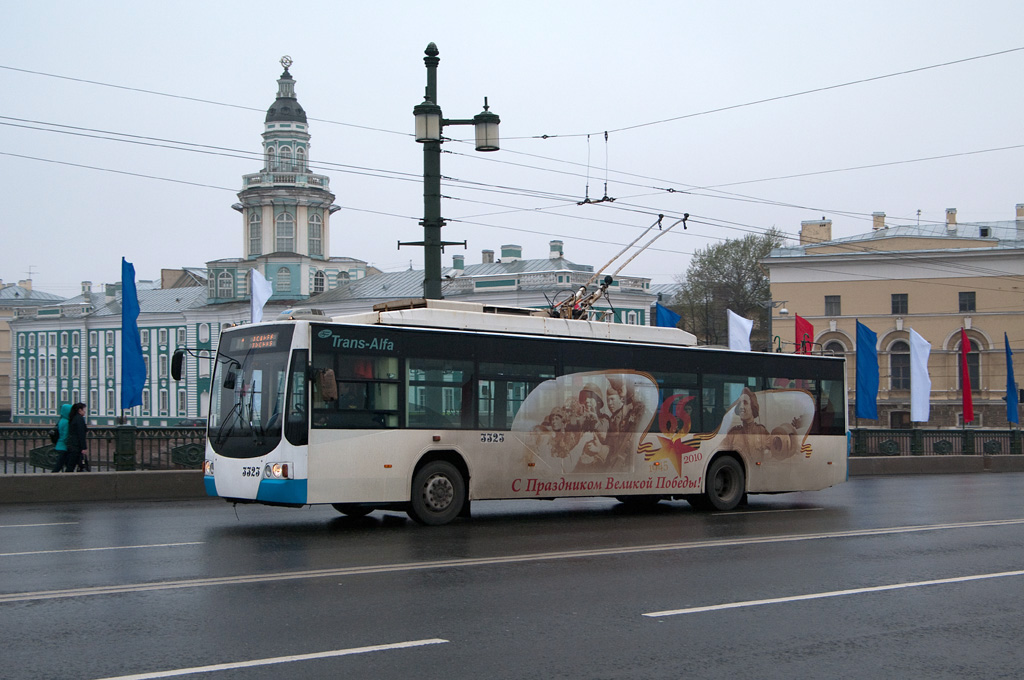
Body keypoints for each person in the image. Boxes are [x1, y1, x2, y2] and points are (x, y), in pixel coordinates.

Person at [720, 387, 769, 461]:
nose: (741, 407)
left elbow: (776, 453)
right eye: (740, 404)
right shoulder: (733, 434)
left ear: (753, 407)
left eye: (745, 403)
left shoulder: (761, 431)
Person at [66, 402, 89, 472]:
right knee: (73, 465)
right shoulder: (79, 419)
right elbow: (81, 434)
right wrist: (84, 447)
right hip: (76, 446)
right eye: (84, 409)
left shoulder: (74, 418)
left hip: (72, 445)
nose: (85, 411)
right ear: (80, 410)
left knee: (71, 464)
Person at [50, 403, 73, 473]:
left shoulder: (61, 420)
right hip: (64, 446)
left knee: (65, 464)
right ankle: (50, 479)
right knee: (60, 465)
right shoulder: (66, 422)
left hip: (60, 445)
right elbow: (65, 435)